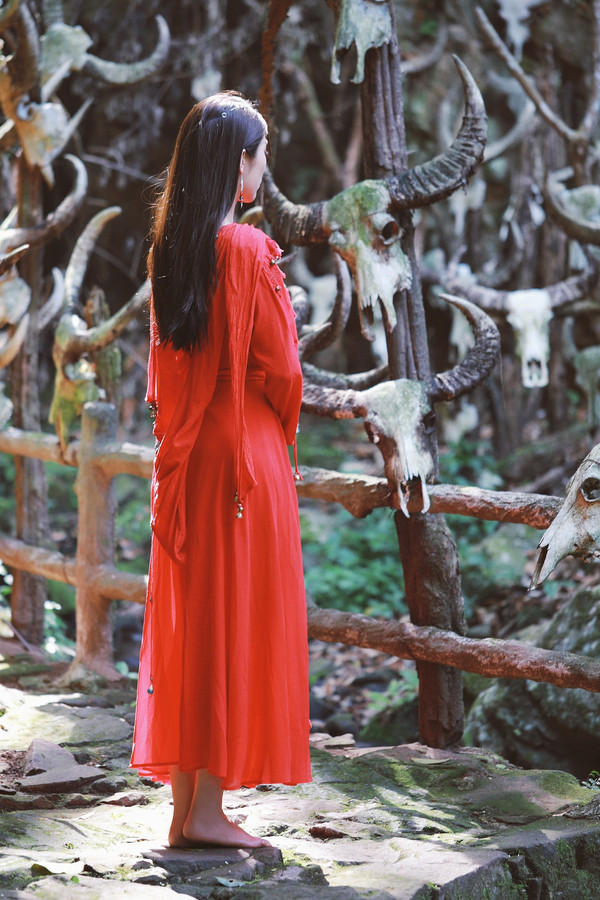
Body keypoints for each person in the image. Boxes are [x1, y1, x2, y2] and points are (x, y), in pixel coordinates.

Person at [130, 91, 312, 849]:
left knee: (197, 620)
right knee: (236, 617)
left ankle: (189, 812)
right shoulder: (244, 247)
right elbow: (284, 369)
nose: (264, 170)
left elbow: (165, 375)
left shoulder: (169, 251)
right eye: (261, 156)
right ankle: (206, 812)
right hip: (244, 450)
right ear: (239, 163)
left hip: (189, 455)